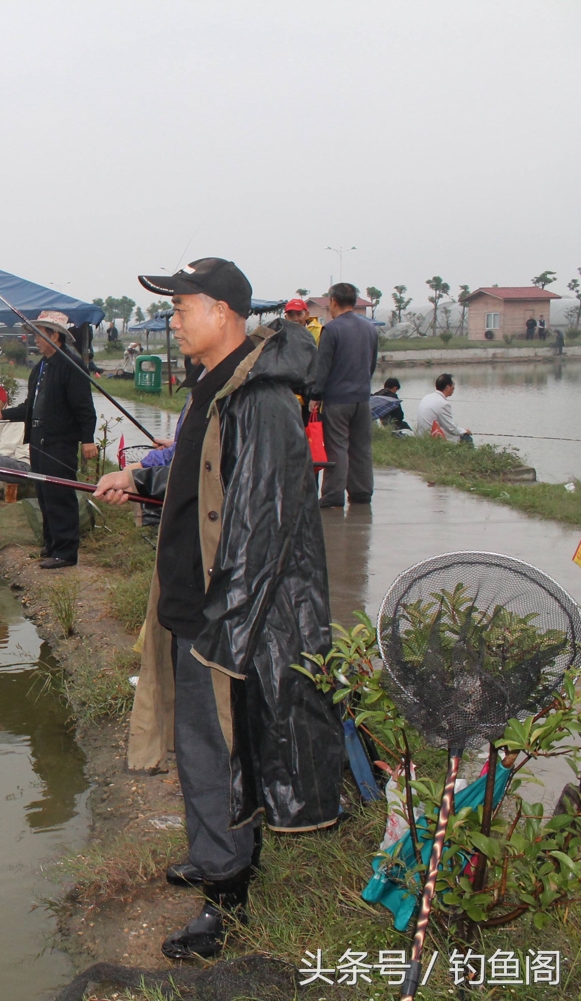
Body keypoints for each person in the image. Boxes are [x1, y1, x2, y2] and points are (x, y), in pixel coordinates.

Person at [94, 258, 344, 961]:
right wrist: (140, 472)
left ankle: (227, 895)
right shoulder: (216, 386)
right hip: (188, 601)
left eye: (183, 307)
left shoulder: (261, 400)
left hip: (221, 618)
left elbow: (264, 528)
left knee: (217, 751)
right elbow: (197, 461)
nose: (173, 320)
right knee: (203, 749)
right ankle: (214, 850)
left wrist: (220, 631)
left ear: (224, 313)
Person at [0, 309, 99, 569]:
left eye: (39, 334)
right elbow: (30, 405)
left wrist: (88, 440)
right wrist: (1, 413)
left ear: (55, 336)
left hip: (60, 443)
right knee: (45, 495)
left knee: (60, 495)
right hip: (39, 440)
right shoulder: (41, 367)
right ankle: (51, 545)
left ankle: (66, 552)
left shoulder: (70, 365)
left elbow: (85, 407)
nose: (34, 339)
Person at [310, 282, 380, 508]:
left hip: (337, 400)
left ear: (333, 301)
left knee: (337, 447)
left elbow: (323, 367)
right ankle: (361, 492)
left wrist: (316, 395)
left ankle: (333, 494)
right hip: (362, 398)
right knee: (361, 447)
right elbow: (372, 364)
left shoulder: (331, 329)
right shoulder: (370, 328)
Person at [415, 373, 471, 443]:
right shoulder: (443, 403)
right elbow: (451, 428)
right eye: (453, 385)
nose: (454, 387)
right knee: (467, 438)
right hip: (431, 438)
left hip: (421, 436)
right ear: (448, 387)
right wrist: (465, 431)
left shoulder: (426, 397)